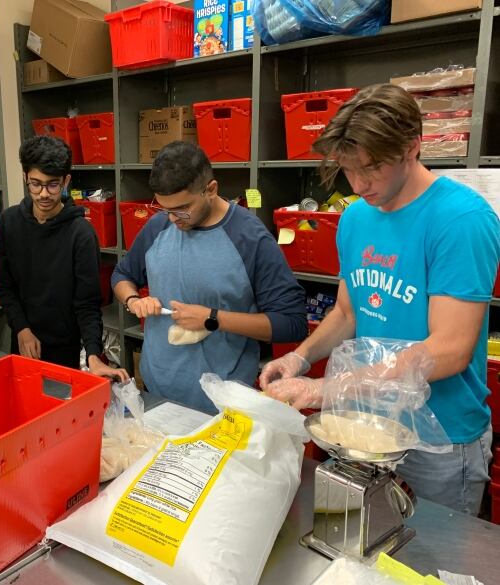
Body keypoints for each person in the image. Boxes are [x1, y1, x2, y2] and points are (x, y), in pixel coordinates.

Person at [260, 83, 500, 515]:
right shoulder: (354, 217)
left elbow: (449, 351)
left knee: (431, 569)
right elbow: (348, 312)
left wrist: (327, 388)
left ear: (412, 147)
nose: (359, 182)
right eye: (348, 169)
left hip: (441, 439)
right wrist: (300, 358)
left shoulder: (461, 219)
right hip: (366, 427)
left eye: (371, 168)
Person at [112, 141, 307, 413]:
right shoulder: (158, 226)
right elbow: (122, 275)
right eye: (165, 209)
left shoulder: (250, 238)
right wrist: (132, 299)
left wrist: (213, 318)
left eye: (181, 209)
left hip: (224, 402)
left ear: (210, 190)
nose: (172, 219)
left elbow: (292, 322)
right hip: (157, 391)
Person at [0, 135, 128, 381]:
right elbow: (4, 286)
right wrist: (22, 329)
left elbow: (87, 303)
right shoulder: (8, 222)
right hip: (23, 341)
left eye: (52, 185)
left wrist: (94, 355)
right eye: (35, 184)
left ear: (66, 181)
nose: (44, 194)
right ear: (25, 178)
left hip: (65, 349)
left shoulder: (81, 234)